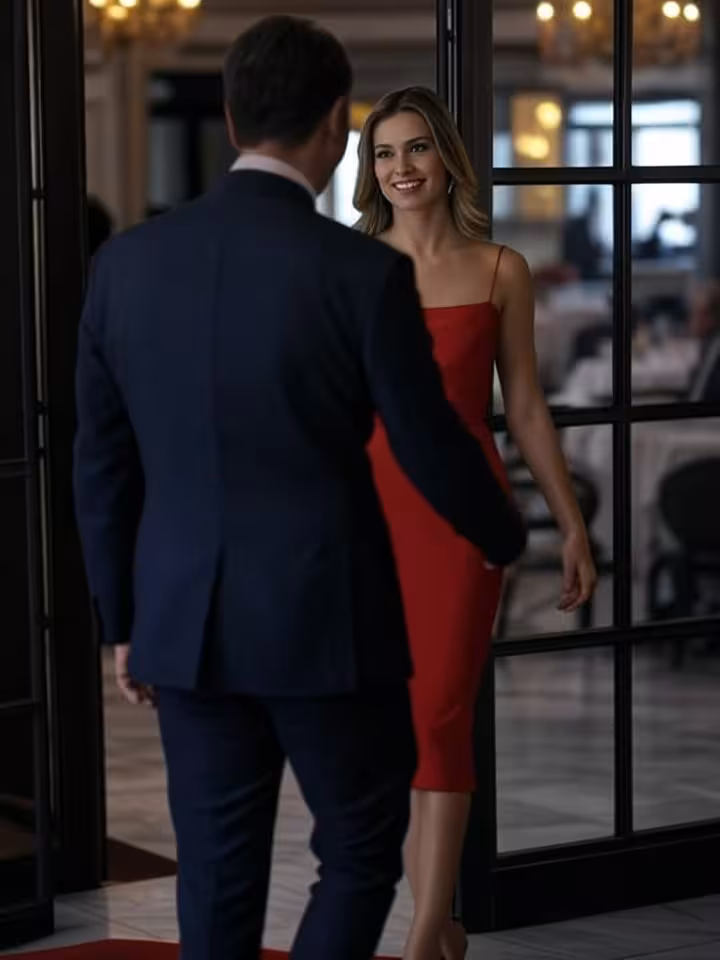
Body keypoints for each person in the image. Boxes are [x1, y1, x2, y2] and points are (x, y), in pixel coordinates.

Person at [73, 20, 526, 960]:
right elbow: (429, 442)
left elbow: (101, 463)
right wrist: (504, 534)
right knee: (360, 851)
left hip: (184, 625)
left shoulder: (125, 265)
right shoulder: (362, 271)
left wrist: (120, 618)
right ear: (337, 124)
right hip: (328, 621)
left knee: (216, 867)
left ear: (234, 119)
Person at [356, 87, 598, 960]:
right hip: (368, 521)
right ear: (370, 170)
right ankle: (441, 928)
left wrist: (570, 524)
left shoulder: (502, 271)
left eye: (417, 149)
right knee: (396, 725)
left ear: (446, 159)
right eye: (385, 153)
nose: (403, 168)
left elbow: (526, 407)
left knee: (440, 715)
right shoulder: (351, 267)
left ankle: (424, 934)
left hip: (460, 518)